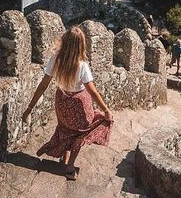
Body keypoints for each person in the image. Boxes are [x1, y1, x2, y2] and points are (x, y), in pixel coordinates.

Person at [21, 27, 112, 180]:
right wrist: (106, 110)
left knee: (65, 128)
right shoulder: (82, 65)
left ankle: (65, 157)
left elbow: (43, 85)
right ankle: (70, 167)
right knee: (81, 133)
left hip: (61, 102)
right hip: (79, 103)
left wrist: (29, 108)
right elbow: (93, 92)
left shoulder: (55, 59)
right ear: (81, 45)